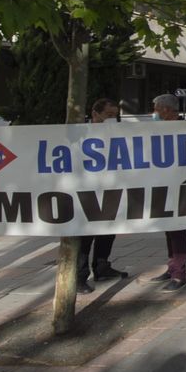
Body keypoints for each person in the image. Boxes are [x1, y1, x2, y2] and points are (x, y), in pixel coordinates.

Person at [76, 99, 128, 294]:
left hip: (109, 189)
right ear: (95, 114)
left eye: (115, 115)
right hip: (86, 191)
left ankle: (102, 267)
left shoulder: (117, 134)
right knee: (84, 237)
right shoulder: (80, 133)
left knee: (107, 231)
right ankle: (79, 277)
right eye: (108, 115)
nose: (112, 119)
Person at [148, 94, 186, 292]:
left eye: (156, 108)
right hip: (163, 185)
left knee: (177, 229)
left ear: (166, 110)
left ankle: (179, 273)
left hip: (180, 187)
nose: (154, 112)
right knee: (169, 228)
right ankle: (172, 267)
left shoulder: (185, 129)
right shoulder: (158, 129)